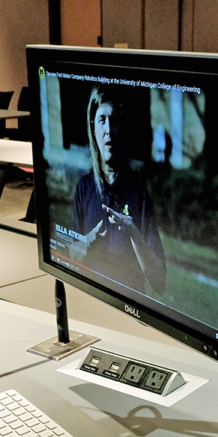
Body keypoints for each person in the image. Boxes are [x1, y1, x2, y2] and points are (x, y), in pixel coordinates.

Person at [69, 85, 167, 294]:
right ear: (93, 127)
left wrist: (134, 234)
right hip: (91, 303)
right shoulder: (83, 189)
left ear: (122, 129)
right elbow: (69, 258)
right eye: (102, 120)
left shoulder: (138, 195)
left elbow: (159, 282)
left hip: (129, 313)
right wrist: (88, 240)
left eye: (114, 121)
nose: (108, 129)